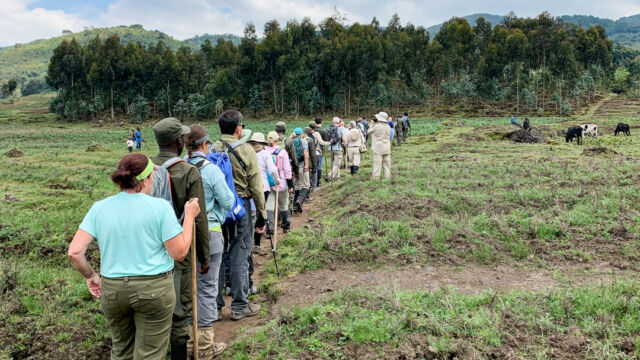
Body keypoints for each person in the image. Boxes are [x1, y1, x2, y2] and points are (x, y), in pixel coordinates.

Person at [68, 153, 200, 360]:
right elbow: (179, 252)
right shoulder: (160, 208)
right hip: (154, 290)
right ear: (146, 179)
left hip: (112, 290)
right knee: (149, 354)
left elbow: (75, 252)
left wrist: (90, 276)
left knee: (121, 351)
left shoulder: (99, 208)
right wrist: (189, 217)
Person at [151, 117, 210, 360]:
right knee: (179, 312)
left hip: (150, 250)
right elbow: (199, 217)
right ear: (178, 141)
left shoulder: (145, 169)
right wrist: (204, 256)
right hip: (180, 250)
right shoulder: (188, 171)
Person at [185, 125, 234, 359]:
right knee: (206, 288)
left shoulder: (178, 168)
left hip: (181, 236)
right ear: (204, 145)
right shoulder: (211, 170)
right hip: (211, 232)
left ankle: (186, 341)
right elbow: (227, 200)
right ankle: (204, 346)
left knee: (186, 288)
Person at [213, 110, 266, 321]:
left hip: (215, 209)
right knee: (240, 254)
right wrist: (261, 210)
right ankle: (239, 305)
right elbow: (255, 183)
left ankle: (214, 307)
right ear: (238, 129)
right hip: (239, 207)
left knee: (217, 255)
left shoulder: (211, 147)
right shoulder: (245, 150)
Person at [248, 132, 280, 248]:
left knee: (251, 213)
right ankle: (257, 244)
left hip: (250, 187)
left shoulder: (248, 154)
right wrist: (277, 180)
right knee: (261, 213)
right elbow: (272, 169)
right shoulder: (265, 154)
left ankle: (249, 242)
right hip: (263, 187)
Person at [264, 131, 293, 234]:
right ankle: (286, 225)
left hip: (267, 183)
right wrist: (290, 184)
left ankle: (270, 228)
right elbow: (287, 170)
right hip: (281, 183)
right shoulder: (282, 152)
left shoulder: (263, 151)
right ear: (277, 140)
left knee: (269, 206)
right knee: (284, 205)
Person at [291, 128, 310, 213]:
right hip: (302, 166)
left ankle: (295, 206)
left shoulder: (290, 141)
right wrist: (306, 164)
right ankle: (300, 200)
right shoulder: (303, 141)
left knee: (296, 186)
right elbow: (306, 153)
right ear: (301, 134)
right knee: (305, 185)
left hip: (293, 167)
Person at [370, 112, 392, 179]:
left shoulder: (377, 126)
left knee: (377, 163)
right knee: (386, 163)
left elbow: (369, 131)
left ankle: (376, 177)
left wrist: (372, 125)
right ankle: (387, 176)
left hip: (378, 147)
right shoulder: (388, 126)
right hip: (387, 146)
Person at [327, 117, 347, 181]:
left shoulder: (329, 128)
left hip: (331, 148)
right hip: (338, 148)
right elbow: (344, 140)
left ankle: (338, 178)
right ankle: (330, 176)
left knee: (334, 163)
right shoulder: (340, 129)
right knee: (337, 164)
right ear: (339, 122)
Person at [302, 127, 318, 201]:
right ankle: (306, 196)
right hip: (308, 163)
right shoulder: (309, 140)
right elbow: (313, 154)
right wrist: (315, 166)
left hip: (298, 163)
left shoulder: (297, 139)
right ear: (309, 133)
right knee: (307, 181)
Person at [313, 118, 329, 187]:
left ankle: (314, 182)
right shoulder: (322, 131)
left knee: (314, 166)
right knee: (319, 166)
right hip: (319, 150)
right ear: (321, 122)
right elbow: (325, 141)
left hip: (311, 150)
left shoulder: (312, 130)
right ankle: (317, 182)